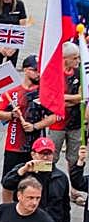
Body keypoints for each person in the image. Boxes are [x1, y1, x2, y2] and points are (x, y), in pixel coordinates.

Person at [0, 56, 54, 200]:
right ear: (26, 70)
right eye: (35, 70)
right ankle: (7, 210)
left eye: (40, 70)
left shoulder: (44, 92)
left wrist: (35, 126)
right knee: (9, 181)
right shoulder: (11, 91)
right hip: (14, 146)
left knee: (39, 180)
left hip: (38, 147)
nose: (38, 73)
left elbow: (54, 116)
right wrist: (11, 114)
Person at [0, 137, 72, 222]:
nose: (46, 157)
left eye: (49, 153)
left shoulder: (61, 177)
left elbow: (65, 205)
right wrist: (22, 171)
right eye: (42, 153)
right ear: (33, 154)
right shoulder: (24, 170)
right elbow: (7, 184)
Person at [49, 42, 83, 170]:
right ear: (65, 58)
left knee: (74, 158)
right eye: (74, 58)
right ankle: (49, 184)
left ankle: (74, 186)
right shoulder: (54, 74)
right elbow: (52, 98)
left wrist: (63, 98)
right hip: (56, 123)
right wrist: (73, 99)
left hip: (76, 122)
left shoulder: (79, 73)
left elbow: (82, 96)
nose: (77, 61)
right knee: (51, 156)